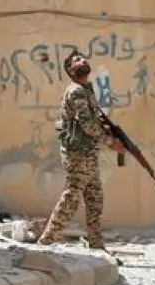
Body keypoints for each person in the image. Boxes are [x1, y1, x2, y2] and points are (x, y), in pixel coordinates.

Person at [36, 51, 126, 250]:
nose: (83, 60)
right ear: (70, 70)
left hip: (88, 151)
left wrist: (112, 133)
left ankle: (96, 244)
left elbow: (96, 121)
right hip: (77, 152)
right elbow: (87, 125)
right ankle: (46, 242)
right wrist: (111, 143)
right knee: (72, 195)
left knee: (94, 197)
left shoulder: (87, 89)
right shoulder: (76, 91)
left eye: (83, 58)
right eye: (77, 60)